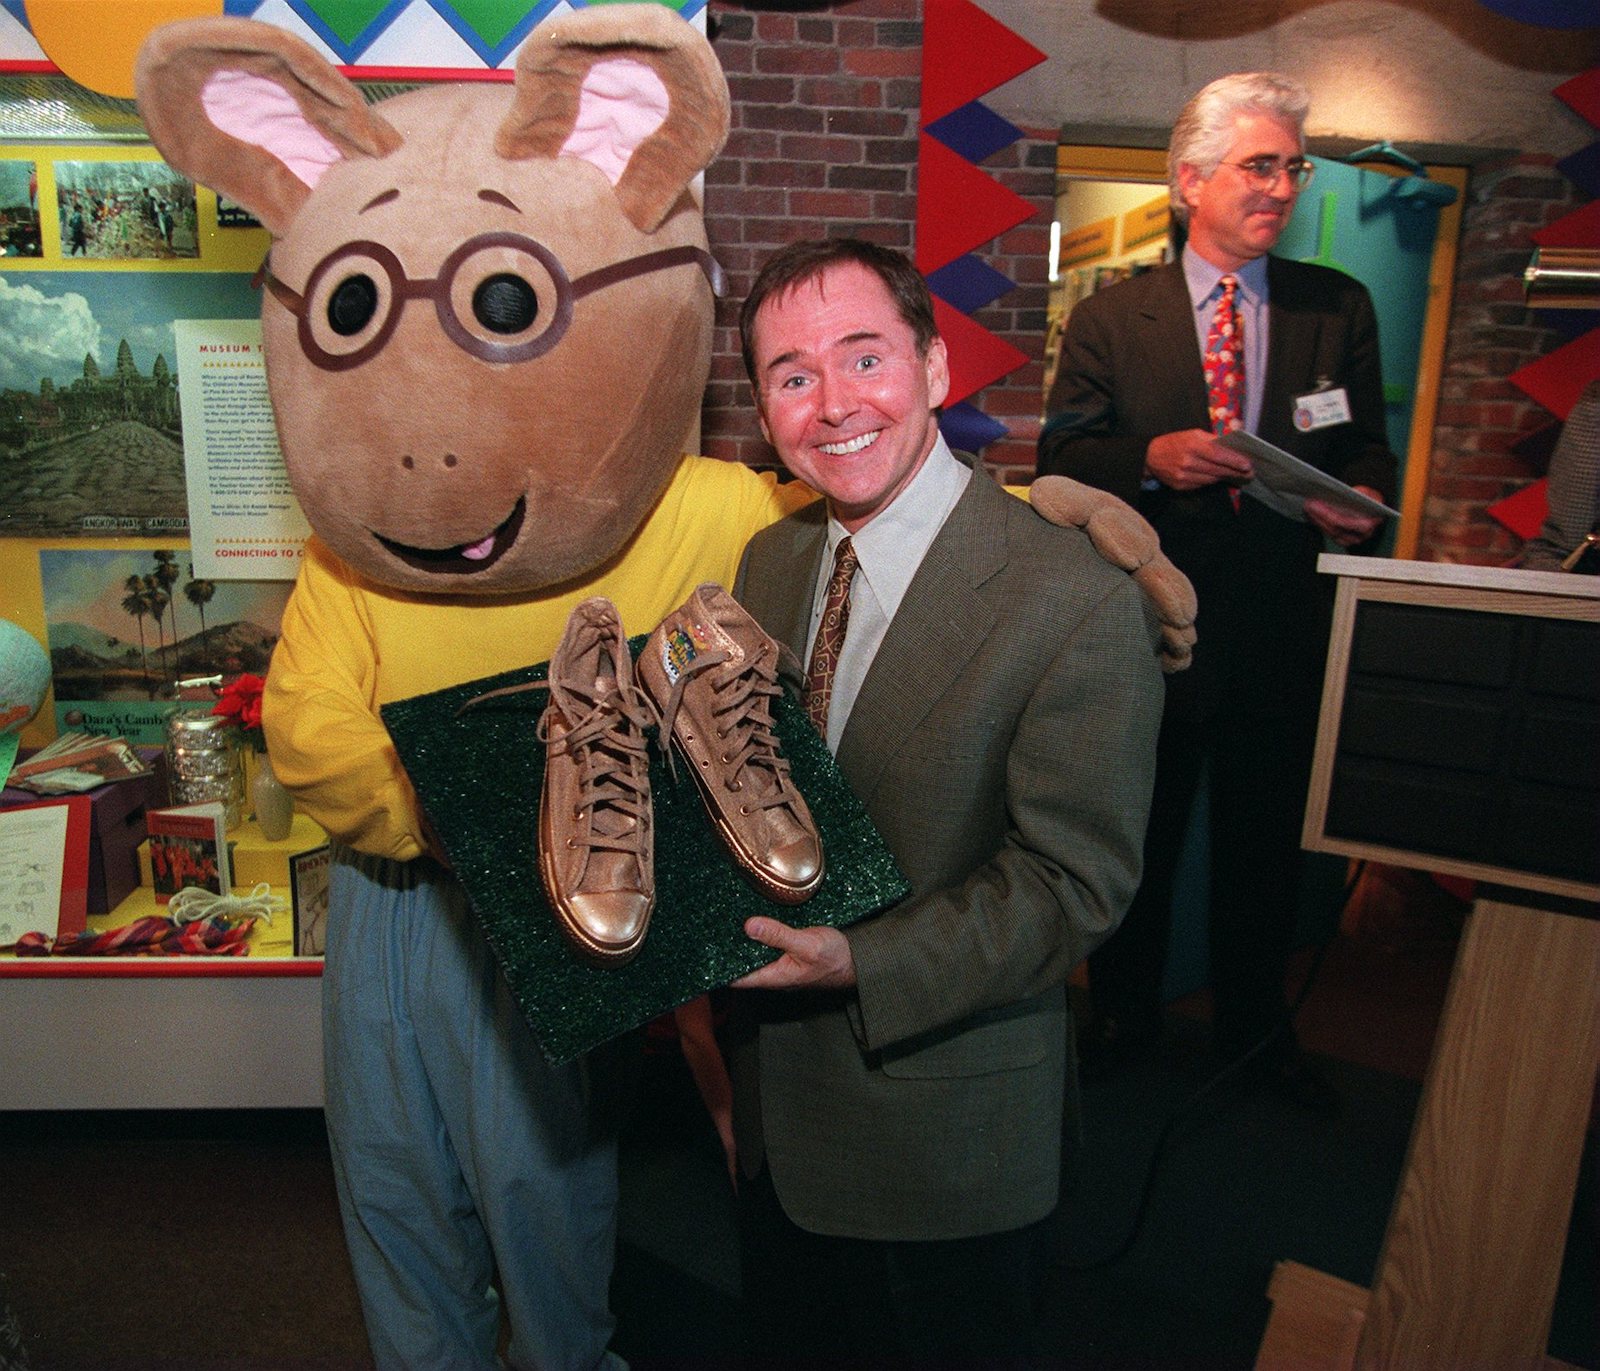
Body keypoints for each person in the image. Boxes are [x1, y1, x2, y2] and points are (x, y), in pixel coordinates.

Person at [729, 238, 1165, 1366]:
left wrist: (862, 964)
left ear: (933, 367)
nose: (831, 405)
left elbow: (1076, 883)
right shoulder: (768, 563)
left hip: (943, 1145)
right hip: (777, 1117)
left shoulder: (1070, 599)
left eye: (863, 357)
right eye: (790, 375)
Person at [1038, 73, 1398, 1105]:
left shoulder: (1340, 308)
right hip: (1149, 627)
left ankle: (1253, 1032)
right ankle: (1120, 1016)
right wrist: (1150, 456)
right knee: (1136, 835)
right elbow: (1063, 459)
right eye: (1259, 165)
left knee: (1263, 848)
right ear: (1190, 179)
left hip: (1286, 625)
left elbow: (1367, 447)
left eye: (1294, 166)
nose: (1281, 186)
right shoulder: (1115, 318)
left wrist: (1359, 495)